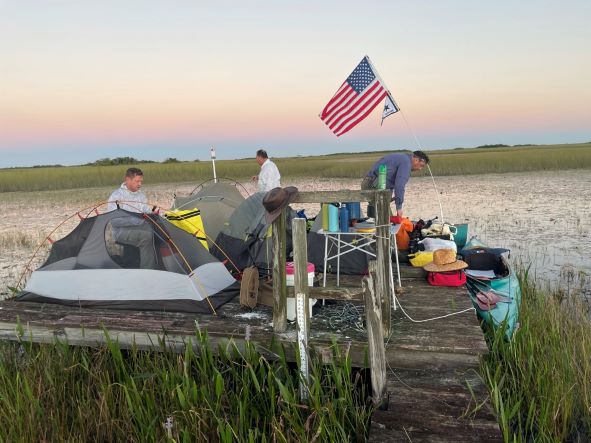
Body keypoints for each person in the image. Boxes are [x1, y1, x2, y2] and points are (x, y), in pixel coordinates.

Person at [107, 167, 157, 269]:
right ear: (128, 180)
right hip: (121, 232)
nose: (140, 184)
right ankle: (148, 270)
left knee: (158, 233)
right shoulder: (116, 196)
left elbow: (146, 210)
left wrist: (152, 213)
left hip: (140, 227)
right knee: (147, 237)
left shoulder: (141, 195)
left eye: (141, 181)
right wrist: (136, 220)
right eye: (137, 181)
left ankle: (160, 264)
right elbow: (113, 221)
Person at [361, 150, 430, 219]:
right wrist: (399, 208)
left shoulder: (403, 157)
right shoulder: (406, 163)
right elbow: (399, 185)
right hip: (372, 185)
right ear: (416, 159)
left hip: (373, 184)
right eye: (421, 165)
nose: (420, 169)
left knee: (384, 217)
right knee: (387, 219)